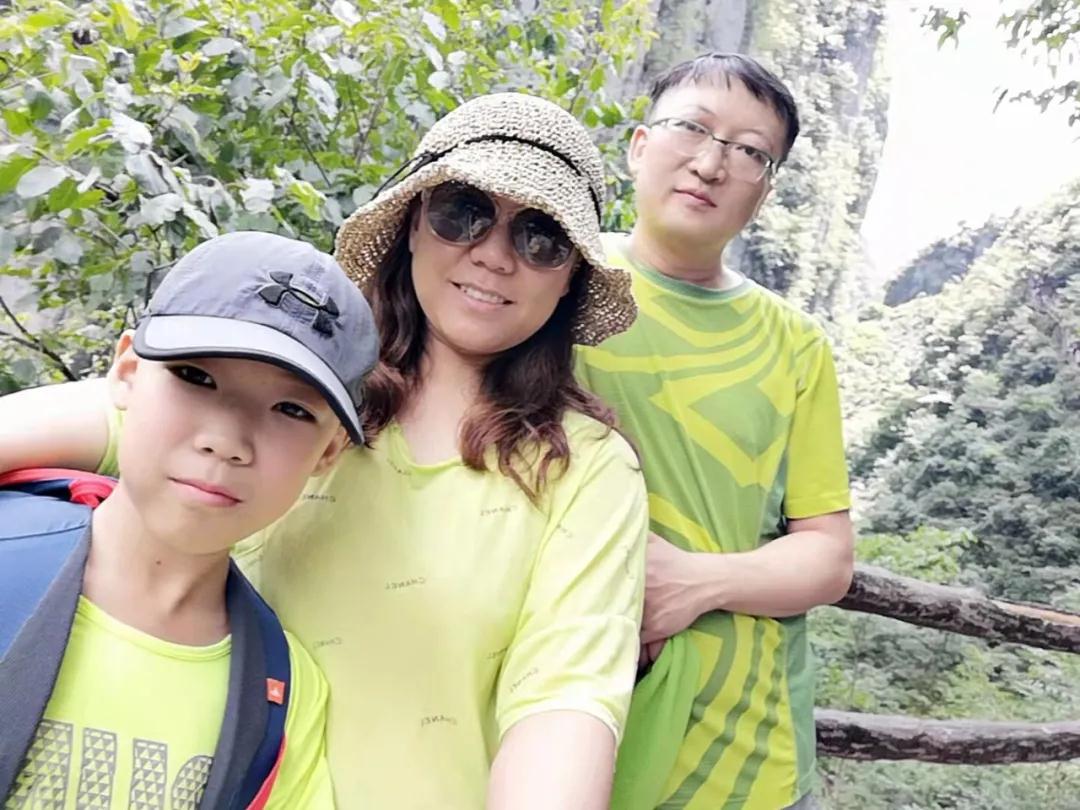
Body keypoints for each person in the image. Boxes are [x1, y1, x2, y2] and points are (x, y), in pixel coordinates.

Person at [0, 93, 649, 809]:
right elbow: (137, 415)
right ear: (412, 224)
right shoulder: (291, 388)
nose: (494, 255)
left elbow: (563, 707)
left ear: (571, 276)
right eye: (462, 212)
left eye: (541, 237)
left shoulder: (584, 470)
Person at [0, 231, 381, 808]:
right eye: (196, 377)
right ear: (127, 372)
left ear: (328, 452)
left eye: (291, 409)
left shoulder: (283, 694)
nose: (227, 441)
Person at [575, 53, 855, 810]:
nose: (710, 164)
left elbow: (828, 556)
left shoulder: (795, 344)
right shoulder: (554, 282)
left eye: (749, 151)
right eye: (691, 129)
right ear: (638, 146)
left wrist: (692, 583)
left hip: (745, 755)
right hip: (561, 720)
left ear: (766, 188)